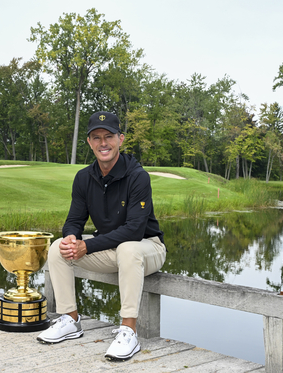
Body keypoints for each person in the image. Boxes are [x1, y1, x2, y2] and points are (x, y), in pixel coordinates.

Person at [36, 111, 166, 361]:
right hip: (111, 249)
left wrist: (89, 245)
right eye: (96, 137)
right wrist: (73, 239)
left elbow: (134, 230)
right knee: (57, 248)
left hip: (147, 247)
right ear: (89, 142)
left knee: (128, 248)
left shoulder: (138, 176)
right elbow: (74, 220)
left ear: (121, 139)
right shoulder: (84, 177)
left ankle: (128, 331)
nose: (103, 143)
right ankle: (70, 320)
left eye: (109, 136)